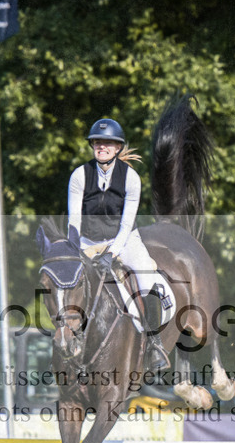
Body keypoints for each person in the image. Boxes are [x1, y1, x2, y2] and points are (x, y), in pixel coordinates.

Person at [67, 118, 170, 370]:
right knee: (68, 284)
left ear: (117, 148)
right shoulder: (80, 175)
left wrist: (111, 253)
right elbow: (73, 221)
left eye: (108, 143)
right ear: (92, 145)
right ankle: (69, 343)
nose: (102, 147)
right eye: (98, 143)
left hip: (123, 240)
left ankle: (154, 344)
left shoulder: (131, 178)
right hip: (88, 241)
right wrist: (74, 252)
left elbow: (126, 224)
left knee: (147, 281)